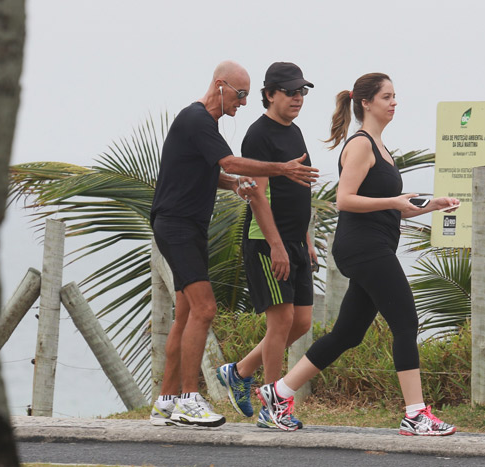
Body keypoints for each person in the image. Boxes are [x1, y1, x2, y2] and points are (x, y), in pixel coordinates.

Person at [256, 73, 459, 436]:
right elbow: (344, 200)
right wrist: (394, 201)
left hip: (372, 246)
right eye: (387, 97)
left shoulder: (381, 148)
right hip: (363, 247)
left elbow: (394, 207)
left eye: (395, 96)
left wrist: (432, 204)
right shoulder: (361, 144)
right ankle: (415, 413)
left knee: (347, 333)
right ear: (366, 103)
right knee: (406, 323)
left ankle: (278, 392)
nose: (394, 102)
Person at [148, 60, 318, 428]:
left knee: (185, 315)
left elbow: (214, 172)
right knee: (205, 309)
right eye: (240, 94)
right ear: (220, 85)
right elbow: (229, 160)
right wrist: (282, 169)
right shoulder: (196, 119)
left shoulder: (205, 125)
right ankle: (189, 400)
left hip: (188, 226)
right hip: (176, 226)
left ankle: (166, 402)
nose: (242, 102)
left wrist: (233, 185)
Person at [215, 62, 316, 430]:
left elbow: (299, 188)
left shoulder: (297, 132)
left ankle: (239, 371)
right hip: (265, 241)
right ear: (270, 93)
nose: (297, 98)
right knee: (281, 320)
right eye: (290, 91)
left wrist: (305, 240)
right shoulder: (258, 135)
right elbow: (257, 195)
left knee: (301, 322)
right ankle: (273, 407)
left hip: (295, 241)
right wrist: (277, 246)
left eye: (302, 91)